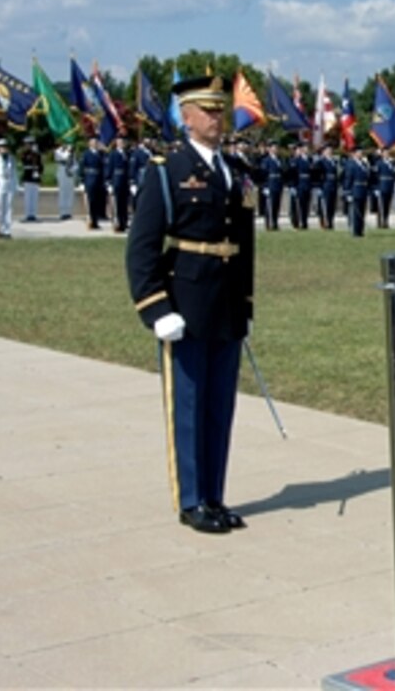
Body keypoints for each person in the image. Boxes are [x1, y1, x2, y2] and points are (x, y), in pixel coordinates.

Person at [125, 75, 256, 535]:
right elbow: (142, 246)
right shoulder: (167, 169)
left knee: (220, 405)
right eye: (207, 111)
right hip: (185, 301)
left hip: (225, 304)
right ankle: (191, 500)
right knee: (188, 403)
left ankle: (215, 495)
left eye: (221, 110)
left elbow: (244, 243)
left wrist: (246, 304)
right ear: (186, 116)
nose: (217, 119)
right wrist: (155, 309)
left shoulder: (234, 170)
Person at [0, 138, 18, 238]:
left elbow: (14, 173)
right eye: (1, 147)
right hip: (0, 185)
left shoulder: (11, 158)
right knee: (0, 209)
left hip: (9, 184)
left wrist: (15, 186)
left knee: (9, 209)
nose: (4, 149)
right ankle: (0, 229)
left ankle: (7, 230)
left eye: (5, 147)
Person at [80, 137, 105, 230]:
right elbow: (82, 167)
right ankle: (90, 220)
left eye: (96, 142)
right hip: (90, 178)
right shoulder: (86, 154)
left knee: (97, 201)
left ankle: (95, 221)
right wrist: (82, 180)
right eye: (93, 142)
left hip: (98, 179)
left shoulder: (100, 154)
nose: (95, 144)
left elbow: (103, 165)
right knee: (91, 201)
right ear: (89, 144)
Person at [19, 136, 43, 222]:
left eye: (30, 144)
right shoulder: (25, 153)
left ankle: (33, 214)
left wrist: (39, 174)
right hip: (27, 176)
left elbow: (40, 165)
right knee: (27, 197)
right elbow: (23, 161)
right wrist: (31, 153)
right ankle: (27, 214)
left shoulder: (37, 154)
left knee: (34, 196)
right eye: (27, 144)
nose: (28, 146)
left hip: (35, 177)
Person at [54, 141, 76, 220]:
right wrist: (68, 151)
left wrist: (73, 169)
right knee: (63, 192)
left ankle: (68, 211)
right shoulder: (58, 151)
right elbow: (64, 158)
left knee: (70, 192)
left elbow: (74, 161)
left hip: (70, 171)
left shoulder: (71, 151)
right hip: (62, 171)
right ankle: (62, 212)